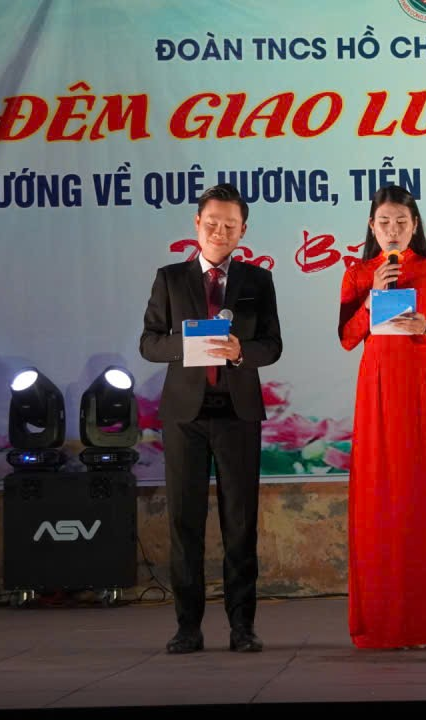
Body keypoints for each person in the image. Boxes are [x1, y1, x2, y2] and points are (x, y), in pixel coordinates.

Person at [140, 183, 282, 654]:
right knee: (185, 524)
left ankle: (243, 627)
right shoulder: (170, 278)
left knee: (240, 524)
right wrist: (186, 344)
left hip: (238, 414)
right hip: (185, 416)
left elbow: (272, 345)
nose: (221, 231)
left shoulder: (257, 281)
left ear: (243, 231)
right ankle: (187, 627)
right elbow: (149, 342)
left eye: (230, 225)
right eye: (213, 223)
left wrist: (241, 352)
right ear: (197, 224)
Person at [337, 185, 426, 649]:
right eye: (385, 222)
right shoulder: (357, 273)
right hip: (376, 389)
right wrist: (371, 297)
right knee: (379, 494)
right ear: (372, 226)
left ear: (415, 226)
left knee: (421, 494)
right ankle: (380, 622)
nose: (393, 230)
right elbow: (347, 338)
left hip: (419, 385)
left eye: (402, 222)